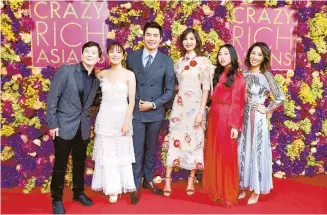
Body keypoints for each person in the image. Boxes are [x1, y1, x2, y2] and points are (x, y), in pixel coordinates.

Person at [46, 41, 102, 214]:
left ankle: (78, 193)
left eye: (94, 53)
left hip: (83, 127)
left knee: (80, 163)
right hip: (63, 126)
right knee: (60, 165)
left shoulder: (96, 80)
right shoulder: (66, 71)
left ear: (99, 58)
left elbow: (93, 102)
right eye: (87, 51)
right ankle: (56, 199)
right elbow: (52, 98)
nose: (90, 54)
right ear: (81, 54)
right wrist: (53, 123)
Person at [126, 21, 176, 205]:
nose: (152, 38)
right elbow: (126, 84)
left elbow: (170, 90)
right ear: (143, 36)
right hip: (137, 112)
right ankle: (135, 184)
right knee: (136, 149)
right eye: (149, 34)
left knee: (151, 149)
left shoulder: (166, 61)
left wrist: (153, 104)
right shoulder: (132, 57)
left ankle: (148, 180)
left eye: (156, 35)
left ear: (161, 39)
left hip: (155, 112)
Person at [163, 28, 214, 197]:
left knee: (195, 142)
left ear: (196, 41)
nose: (188, 42)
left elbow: (206, 88)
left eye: (192, 39)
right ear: (182, 42)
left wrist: (201, 112)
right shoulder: (178, 63)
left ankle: (191, 179)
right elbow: (177, 86)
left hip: (196, 108)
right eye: (185, 39)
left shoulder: (203, 62)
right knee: (175, 140)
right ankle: (168, 179)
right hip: (180, 108)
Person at [238, 42, 285, 204]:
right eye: (253, 53)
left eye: (259, 54)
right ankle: (243, 186)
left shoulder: (267, 76)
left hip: (258, 118)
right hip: (242, 117)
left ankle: (256, 191)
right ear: (248, 54)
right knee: (243, 148)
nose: (255, 57)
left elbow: (280, 96)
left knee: (256, 151)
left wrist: (267, 109)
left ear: (264, 58)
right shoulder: (242, 74)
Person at [91, 42, 136, 204]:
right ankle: (112, 188)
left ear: (123, 55)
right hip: (105, 117)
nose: (115, 55)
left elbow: (131, 102)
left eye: (118, 52)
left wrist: (127, 122)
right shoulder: (102, 74)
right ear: (107, 55)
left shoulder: (129, 75)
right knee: (107, 153)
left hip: (122, 117)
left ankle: (121, 184)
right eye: (112, 52)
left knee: (120, 153)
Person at [202, 44, 246, 207]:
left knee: (226, 155)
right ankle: (216, 190)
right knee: (214, 152)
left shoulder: (237, 76)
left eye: (226, 54)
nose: (222, 57)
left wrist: (235, 125)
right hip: (214, 117)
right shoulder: (219, 73)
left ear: (232, 56)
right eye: (220, 54)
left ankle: (228, 193)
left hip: (227, 119)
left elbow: (238, 103)